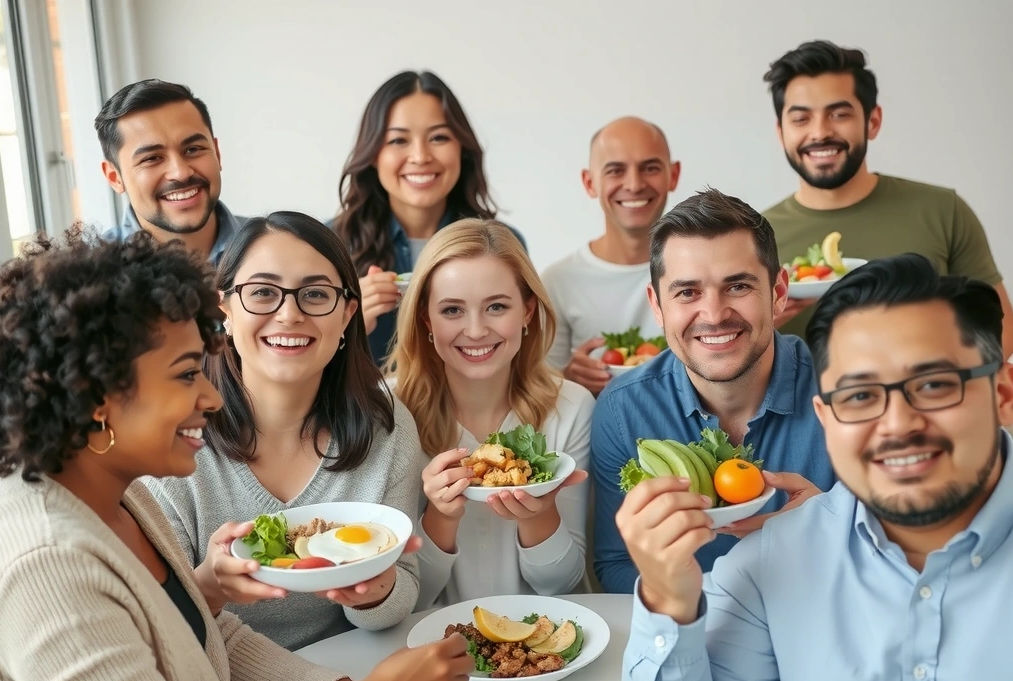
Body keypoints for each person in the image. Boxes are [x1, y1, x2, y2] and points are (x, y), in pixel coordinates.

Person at [0, 229, 473, 681]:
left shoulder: (121, 495)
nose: (212, 395)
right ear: (97, 394)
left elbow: (207, 632)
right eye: (185, 374)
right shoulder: (46, 564)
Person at [619, 253, 1012, 681]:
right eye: (860, 395)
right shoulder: (772, 560)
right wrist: (668, 598)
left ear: (1002, 393)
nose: (898, 424)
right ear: (826, 418)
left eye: (935, 385)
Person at [145, 212, 424, 652]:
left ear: (348, 314)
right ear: (226, 311)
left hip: (348, 674)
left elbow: (402, 589)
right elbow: (156, 623)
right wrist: (208, 584)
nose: (289, 314)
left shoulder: (386, 425)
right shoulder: (174, 438)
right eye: (262, 293)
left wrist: (377, 594)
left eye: (315, 294)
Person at [591, 188, 836, 593]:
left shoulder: (843, 390)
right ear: (657, 305)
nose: (715, 315)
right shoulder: (622, 410)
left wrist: (833, 526)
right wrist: (678, 592)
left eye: (738, 286)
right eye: (688, 292)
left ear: (777, 293)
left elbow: (906, 549)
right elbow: (617, 563)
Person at [386, 218, 593, 610]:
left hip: (541, 649)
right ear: (426, 319)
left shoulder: (572, 406)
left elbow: (564, 584)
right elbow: (404, 601)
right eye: (452, 310)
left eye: (496, 306)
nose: (477, 330)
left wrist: (539, 514)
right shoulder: (389, 411)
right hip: (428, 653)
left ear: (528, 311)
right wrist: (440, 519)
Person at [761, 40, 1013, 359]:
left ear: (873, 121)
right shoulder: (756, 237)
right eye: (801, 119)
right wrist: (762, 326)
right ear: (781, 132)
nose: (820, 132)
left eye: (839, 114)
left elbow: (999, 327)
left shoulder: (943, 210)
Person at [333, 70, 526, 365]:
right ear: (373, 153)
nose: (421, 156)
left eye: (438, 137)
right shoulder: (328, 245)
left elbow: (522, 354)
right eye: (399, 141)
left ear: (462, 148)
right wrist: (342, 324)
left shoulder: (501, 245)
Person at [542, 116, 681, 396]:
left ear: (673, 175)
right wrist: (568, 378)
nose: (634, 184)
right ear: (589, 182)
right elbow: (538, 391)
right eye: (615, 170)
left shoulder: (699, 270)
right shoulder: (557, 281)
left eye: (650, 167)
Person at [95, 79, 245, 263]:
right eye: (151, 158)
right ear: (114, 178)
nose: (181, 173)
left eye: (193, 149)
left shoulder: (282, 248)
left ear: (217, 153)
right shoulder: (89, 276)